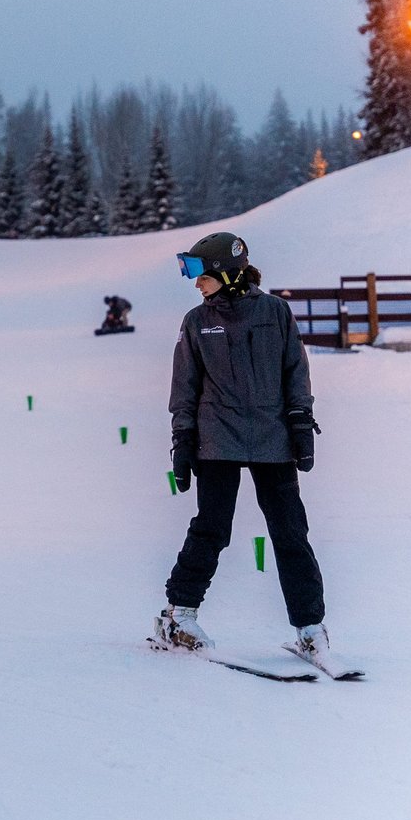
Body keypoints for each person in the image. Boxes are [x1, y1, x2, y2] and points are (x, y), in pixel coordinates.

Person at [154, 231, 332, 661]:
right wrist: (183, 441)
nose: (195, 283)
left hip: (273, 439)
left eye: (200, 273)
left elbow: (295, 372)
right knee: (212, 527)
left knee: (291, 531)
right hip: (217, 438)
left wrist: (301, 426)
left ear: (226, 273)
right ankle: (178, 615)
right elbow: (185, 388)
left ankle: (310, 627)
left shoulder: (275, 313)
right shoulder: (197, 322)